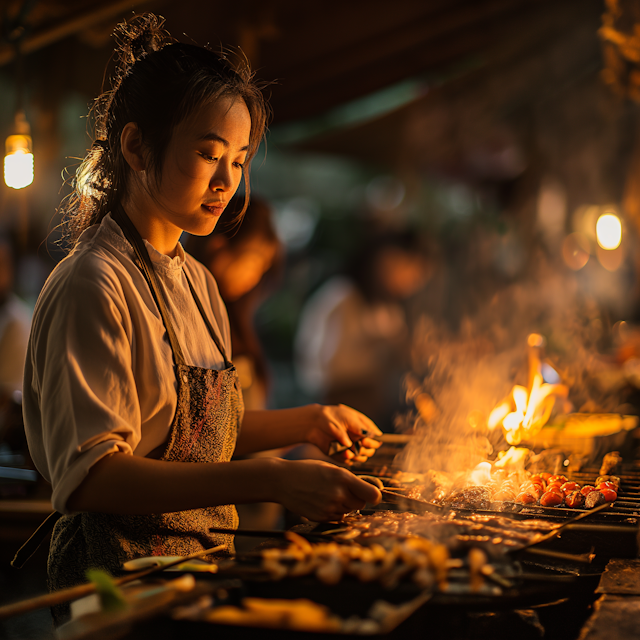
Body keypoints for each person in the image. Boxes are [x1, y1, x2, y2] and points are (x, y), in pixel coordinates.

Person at [21, 14, 381, 623]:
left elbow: (194, 439)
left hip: (197, 580)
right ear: (136, 147)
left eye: (238, 161)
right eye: (208, 154)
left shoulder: (197, 281)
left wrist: (309, 423)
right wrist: (269, 481)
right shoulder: (96, 282)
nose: (226, 183)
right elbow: (94, 479)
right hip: (118, 593)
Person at [295, 230, 431, 430]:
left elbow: (405, 350)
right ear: (387, 260)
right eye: (413, 271)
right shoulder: (342, 298)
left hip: (370, 404)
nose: (415, 282)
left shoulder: (386, 306)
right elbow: (326, 369)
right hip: (336, 406)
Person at [185, 194, 283, 411]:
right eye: (251, 262)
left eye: (262, 269)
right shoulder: (187, 316)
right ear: (218, 248)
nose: (254, 277)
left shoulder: (233, 317)